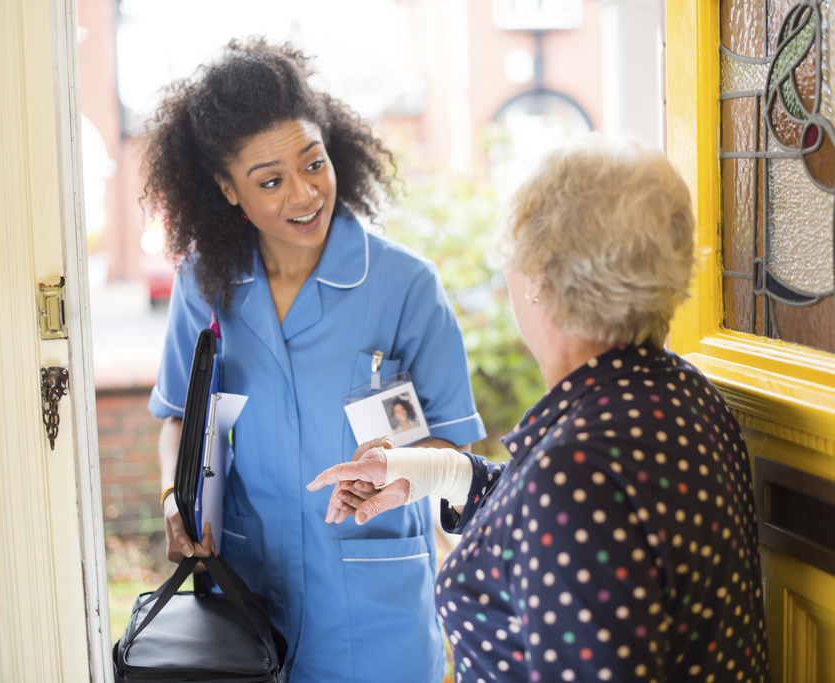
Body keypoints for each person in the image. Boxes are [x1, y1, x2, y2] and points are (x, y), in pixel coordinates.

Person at [310, 136, 769, 682]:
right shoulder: (686, 396)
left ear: (540, 280)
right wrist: (425, 471)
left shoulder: (575, 473)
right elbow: (544, 516)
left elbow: (566, 506)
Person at [146, 38, 486, 683]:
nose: (304, 195)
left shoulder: (406, 285)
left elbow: (456, 452)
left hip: (374, 605)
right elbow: (177, 421)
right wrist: (175, 498)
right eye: (270, 181)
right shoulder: (202, 286)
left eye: (314, 163)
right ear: (227, 189)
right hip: (245, 595)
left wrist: (399, 472)